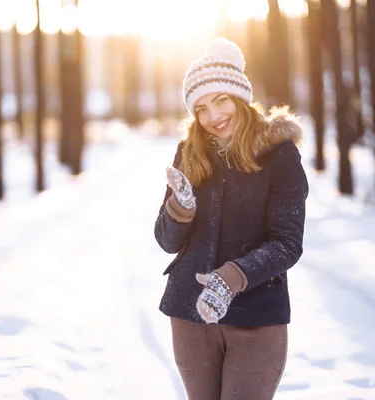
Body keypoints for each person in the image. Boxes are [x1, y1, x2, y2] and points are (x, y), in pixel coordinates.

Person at [154, 37, 309, 400]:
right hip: (190, 313)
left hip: (256, 316)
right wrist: (182, 207)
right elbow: (166, 242)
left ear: (239, 96)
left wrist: (231, 278)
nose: (214, 117)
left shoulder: (278, 155)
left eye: (221, 100)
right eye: (202, 109)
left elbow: (287, 242)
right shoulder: (189, 152)